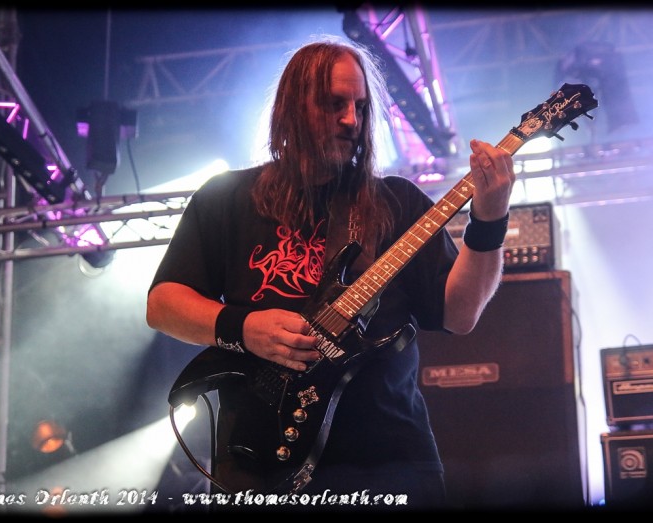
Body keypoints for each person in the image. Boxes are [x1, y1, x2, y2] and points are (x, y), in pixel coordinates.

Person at [146, 36, 515, 512]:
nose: (351, 120)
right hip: (258, 461)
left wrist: (489, 220)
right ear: (291, 108)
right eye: (334, 104)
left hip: (386, 463)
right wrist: (243, 327)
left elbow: (460, 314)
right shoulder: (227, 199)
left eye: (360, 107)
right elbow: (163, 305)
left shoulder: (395, 202)